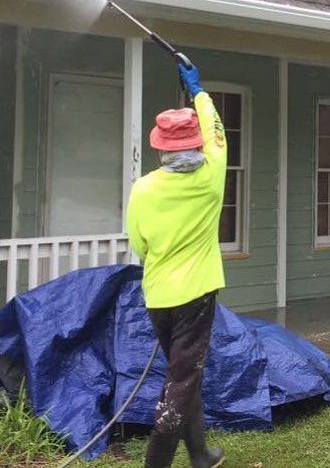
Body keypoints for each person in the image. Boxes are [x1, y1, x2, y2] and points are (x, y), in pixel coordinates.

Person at [126, 60, 227, 468]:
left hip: (159, 294)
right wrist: (198, 90)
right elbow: (217, 130)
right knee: (181, 381)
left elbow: (140, 245)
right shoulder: (212, 175)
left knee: (185, 376)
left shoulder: (144, 189)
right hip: (197, 294)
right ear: (196, 144)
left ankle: (200, 454)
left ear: (161, 147)